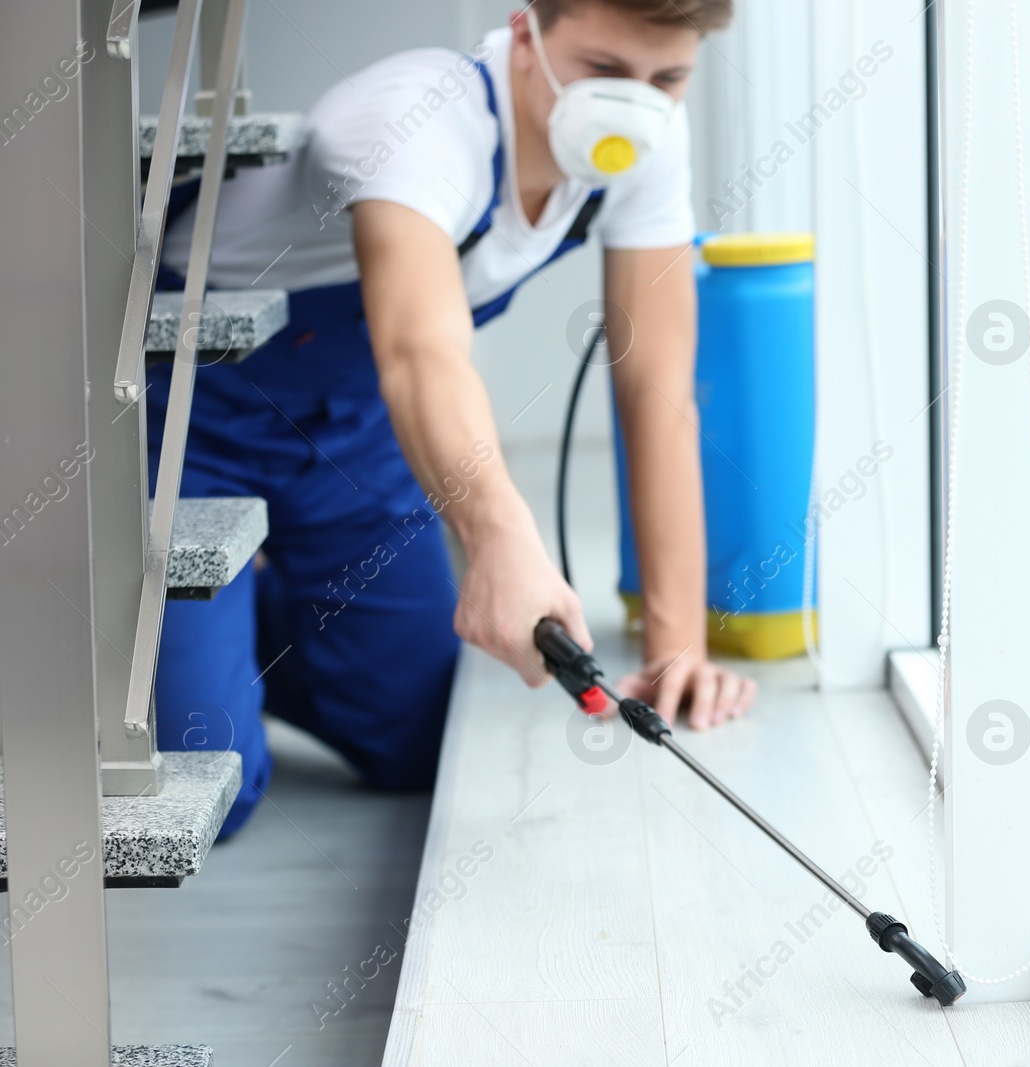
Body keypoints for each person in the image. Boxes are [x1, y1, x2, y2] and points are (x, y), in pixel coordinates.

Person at [150, 0, 756, 837]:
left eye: (668, 80)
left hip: (354, 428)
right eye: (604, 70)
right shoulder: (417, 120)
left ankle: (235, 628)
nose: (635, 104)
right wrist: (502, 539)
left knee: (415, 744)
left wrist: (678, 646)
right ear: (524, 34)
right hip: (186, 412)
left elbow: (656, 387)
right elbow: (420, 353)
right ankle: (162, 648)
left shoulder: (645, 149)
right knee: (209, 792)